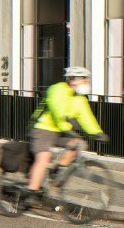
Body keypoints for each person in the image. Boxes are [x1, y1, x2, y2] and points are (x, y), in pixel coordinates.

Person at [26, 65, 104, 202]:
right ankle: (32, 192)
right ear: (73, 80)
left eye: (87, 80)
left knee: (79, 144)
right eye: (84, 79)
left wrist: (97, 132)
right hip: (43, 129)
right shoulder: (57, 89)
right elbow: (58, 112)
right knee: (44, 157)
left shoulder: (80, 99)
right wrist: (66, 128)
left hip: (59, 132)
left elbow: (86, 117)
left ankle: (58, 171)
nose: (86, 82)